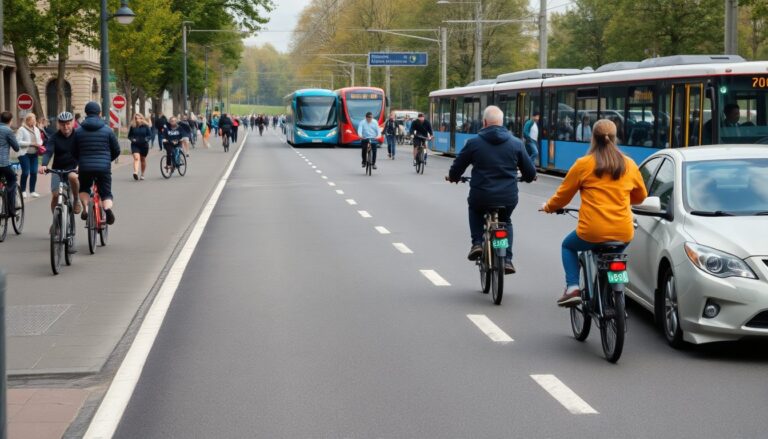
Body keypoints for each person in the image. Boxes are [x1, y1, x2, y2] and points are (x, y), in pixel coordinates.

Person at [540, 119, 647, 306]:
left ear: (592, 138)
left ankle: (572, 287)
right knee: (614, 256)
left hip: (592, 231)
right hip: (623, 231)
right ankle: (607, 287)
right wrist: (620, 198)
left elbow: (563, 196)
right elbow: (640, 196)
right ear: (615, 138)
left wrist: (549, 207)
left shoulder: (583, 164)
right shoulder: (629, 164)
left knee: (568, 246)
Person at [446, 106, 537, 274]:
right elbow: (530, 173)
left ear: (484, 122)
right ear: (502, 123)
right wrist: (529, 177)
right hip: (507, 196)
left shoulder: (473, 143)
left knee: (474, 209)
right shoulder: (516, 143)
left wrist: (453, 177)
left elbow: (458, 166)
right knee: (504, 222)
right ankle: (507, 259)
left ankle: (477, 244)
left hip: (481, 194)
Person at [72, 102, 120, 225]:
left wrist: (80, 160)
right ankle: (107, 209)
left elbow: (73, 150)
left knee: (84, 188)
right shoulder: (107, 130)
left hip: (85, 167)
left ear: (86, 113)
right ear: (99, 113)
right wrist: (107, 160)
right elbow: (117, 150)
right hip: (103, 167)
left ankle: (86, 209)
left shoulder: (78, 131)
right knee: (106, 193)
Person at [40, 112, 80, 213]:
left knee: (73, 177)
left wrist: (81, 165)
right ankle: (56, 222)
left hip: (73, 168)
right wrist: (44, 164)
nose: (65, 127)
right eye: (62, 124)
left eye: (68, 123)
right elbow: (48, 151)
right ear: (58, 124)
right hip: (57, 169)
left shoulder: (78, 136)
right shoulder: (54, 137)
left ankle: (76, 200)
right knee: (55, 195)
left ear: (72, 123)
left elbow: (84, 151)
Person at [16, 113, 44, 198]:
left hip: (34, 154)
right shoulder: (21, 129)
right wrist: (31, 144)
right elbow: (18, 142)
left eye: (35, 120)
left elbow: (40, 140)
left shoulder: (36, 129)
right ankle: (23, 190)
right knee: (25, 172)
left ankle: (32, 191)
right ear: (27, 120)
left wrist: (39, 144)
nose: (34, 122)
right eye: (33, 120)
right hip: (24, 154)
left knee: (34, 172)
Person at [0, 112, 21, 215]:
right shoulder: (8, 131)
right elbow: (16, 148)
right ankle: (11, 209)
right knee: (12, 180)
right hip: (3, 163)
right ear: (10, 120)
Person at [128, 113, 152, 180]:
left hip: (144, 145)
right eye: (136, 118)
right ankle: (135, 172)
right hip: (135, 145)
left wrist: (146, 139)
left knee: (143, 159)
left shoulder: (146, 126)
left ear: (142, 118)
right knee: (136, 158)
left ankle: (142, 174)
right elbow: (129, 136)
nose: (137, 120)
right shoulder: (133, 126)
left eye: (138, 118)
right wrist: (132, 139)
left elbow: (150, 135)